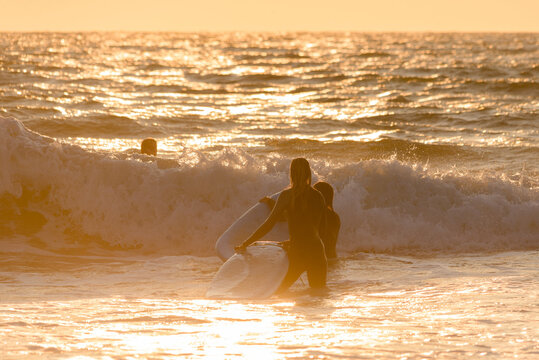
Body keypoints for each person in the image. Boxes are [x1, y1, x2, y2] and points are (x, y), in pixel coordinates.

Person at [235, 158, 328, 291]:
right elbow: (321, 231)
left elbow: (269, 224)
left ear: (291, 174)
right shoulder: (318, 196)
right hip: (317, 252)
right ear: (309, 173)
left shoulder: (287, 195)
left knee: (278, 292)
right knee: (318, 295)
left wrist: (246, 243)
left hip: (298, 252)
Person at [259, 181, 340, 259]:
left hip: (318, 259)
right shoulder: (335, 217)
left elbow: (283, 216)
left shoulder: (314, 213)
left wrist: (270, 202)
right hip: (332, 258)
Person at [313, 181, 340, 259]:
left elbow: (320, 240)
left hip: (322, 259)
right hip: (332, 257)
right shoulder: (334, 216)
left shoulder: (319, 215)